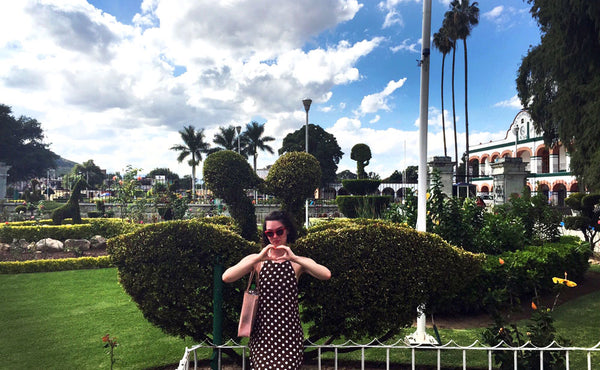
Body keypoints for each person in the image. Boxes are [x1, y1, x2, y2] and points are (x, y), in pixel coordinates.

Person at [222, 210, 331, 369]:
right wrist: (259, 257)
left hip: (289, 333)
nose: (274, 237)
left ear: (287, 230)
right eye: (269, 233)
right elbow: (227, 277)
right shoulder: (258, 261)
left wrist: (293, 257)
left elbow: (326, 274)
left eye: (279, 231)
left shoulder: (296, 263)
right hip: (263, 333)